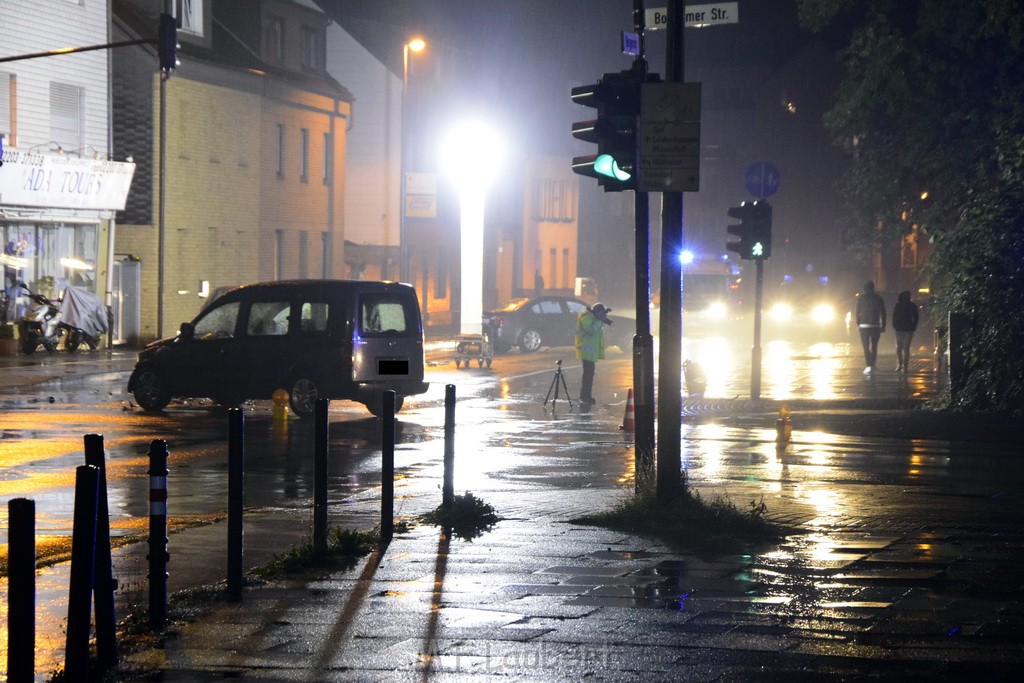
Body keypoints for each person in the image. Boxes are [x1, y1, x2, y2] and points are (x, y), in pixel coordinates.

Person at [575, 302, 611, 404]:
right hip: (586, 352)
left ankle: (586, 396)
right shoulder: (586, 319)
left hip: (590, 352)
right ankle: (585, 397)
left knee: (589, 375)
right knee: (588, 375)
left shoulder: (592, 319)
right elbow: (590, 331)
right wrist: (600, 321)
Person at [855, 281, 886, 374]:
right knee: (874, 346)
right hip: (875, 325)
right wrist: (883, 325)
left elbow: (857, 312)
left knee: (865, 346)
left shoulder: (861, 298)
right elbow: (883, 312)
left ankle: (868, 364)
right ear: (873, 287)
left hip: (863, 326)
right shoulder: (878, 298)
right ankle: (872, 364)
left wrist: (858, 323)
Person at [892, 290, 919, 373]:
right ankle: (904, 366)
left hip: (900, 329)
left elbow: (894, 316)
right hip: (907, 329)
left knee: (899, 347)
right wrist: (913, 326)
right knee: (906, 348)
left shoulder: (898, 305)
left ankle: (900, 365)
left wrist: (895, 325)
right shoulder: (912, 306)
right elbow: (916, 317)